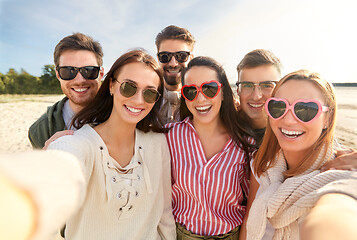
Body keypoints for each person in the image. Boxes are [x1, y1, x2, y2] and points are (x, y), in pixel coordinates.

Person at [3, 49, 176, 240]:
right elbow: (62, 164)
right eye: (128, 87)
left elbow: (165, 212)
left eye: (150, 93)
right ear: (111, 85)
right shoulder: (80, 142)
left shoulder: (158, 141)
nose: (138, 100)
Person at [239, 69, 357, 240]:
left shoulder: (340, 175)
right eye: (278, 106)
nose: (288, 120)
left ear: (328, 119)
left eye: (306, 109)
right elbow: (249, 219)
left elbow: (335, 215)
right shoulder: (262, 163)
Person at [166, 56, 255, 239]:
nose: (200, 98)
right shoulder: (169, 137)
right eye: (191, 91)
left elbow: (252, 207)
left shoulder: (245, 144)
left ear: (223, 93)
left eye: (209, 89)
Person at [236, 49, 357, 170]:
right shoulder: (226, 123)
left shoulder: (299, 127)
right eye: (247, 85)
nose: (256, 96)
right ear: (238, 91)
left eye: (267, 85)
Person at [28, 32, 104, 149]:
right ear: (58, 75)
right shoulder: (39, 131)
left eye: (89, 70)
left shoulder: (124, 114)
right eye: (68, 71)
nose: (79, 80)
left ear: (101, 74)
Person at [155, 25, 195, 123]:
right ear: (158, 58)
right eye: (165, 56)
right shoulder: (144, 98)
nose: (173, 64)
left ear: (191, 58)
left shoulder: (202, 99)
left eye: (182, 56)